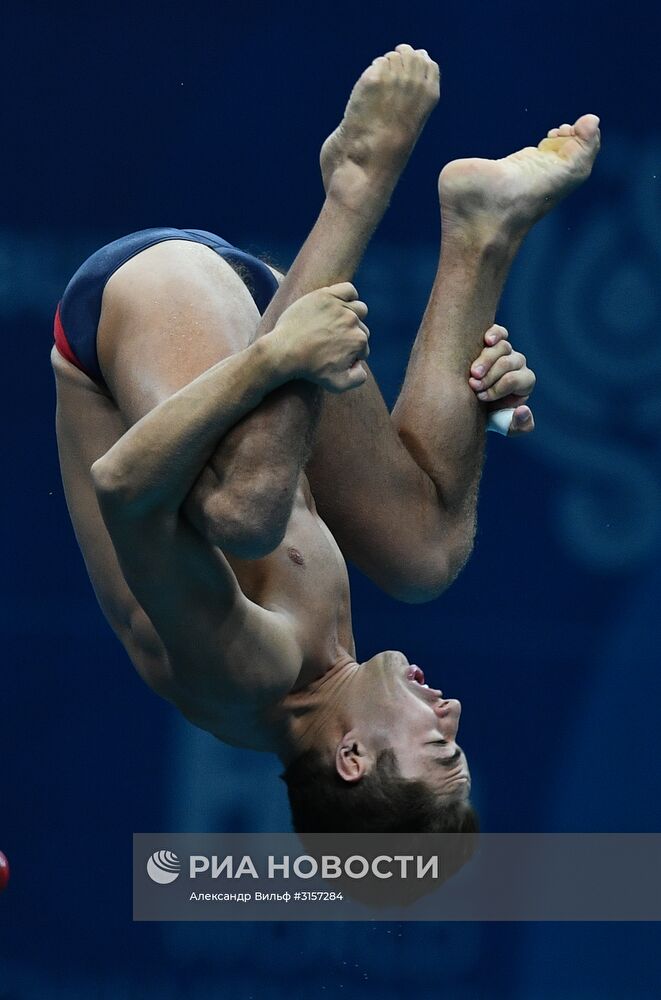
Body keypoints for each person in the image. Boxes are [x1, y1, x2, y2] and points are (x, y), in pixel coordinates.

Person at [52, 45, 600, 832]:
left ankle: (357, 180)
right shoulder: (325, 676)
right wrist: (479, 406)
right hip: (262, 311)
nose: (450, 711)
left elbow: (126, 488)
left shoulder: (247, 677)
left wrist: (273, 360)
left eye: (439, 748)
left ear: (351, 760)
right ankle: (484, 227)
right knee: (425, 557)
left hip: (141, 295)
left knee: (244, 513)